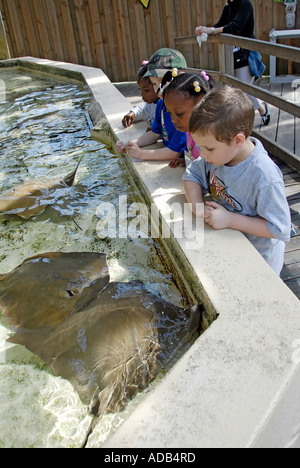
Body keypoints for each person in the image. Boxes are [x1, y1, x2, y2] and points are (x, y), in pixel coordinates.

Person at [182, 86, 291, 275]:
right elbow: (192, 175)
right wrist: (197, 206)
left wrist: (230, 219)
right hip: (230, 247)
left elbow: (280, 229)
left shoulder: (264, 176)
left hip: (260, 262)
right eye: (200, 147)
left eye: (208, 148)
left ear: (238, 140)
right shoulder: (218, 156)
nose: (202, 154)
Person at [195, 0, 270, 125]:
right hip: (231, 55)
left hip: (245, 54)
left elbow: (235, 27)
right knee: (233, 90)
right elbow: (219, 26)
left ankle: (259, 110)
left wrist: (211, 30)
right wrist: (204, 30)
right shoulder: (228, 8)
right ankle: (242, 118)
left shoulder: (245, 4)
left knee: (244, 90)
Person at [115, 48, 187, 161]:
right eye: (154, 83)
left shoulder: (184, 112)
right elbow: (154, 134)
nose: (157, 88)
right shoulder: (161, 104)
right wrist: (130, 144)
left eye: (162, 81)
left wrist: (141, 154)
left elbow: (174, 153)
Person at [163, 70, 214, 167]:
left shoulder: (213, 138)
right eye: (170, 113)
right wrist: (188, 160)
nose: (173, 120)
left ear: (200, 104)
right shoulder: (189, 130)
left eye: (179, 113)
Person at [121, 64, 159, 130]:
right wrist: (133, 113)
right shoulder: (151, 104)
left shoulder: (166, 107)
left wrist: (157, 131)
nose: (142, 95)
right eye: (140, 90)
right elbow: (143, 108)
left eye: (146, 90)